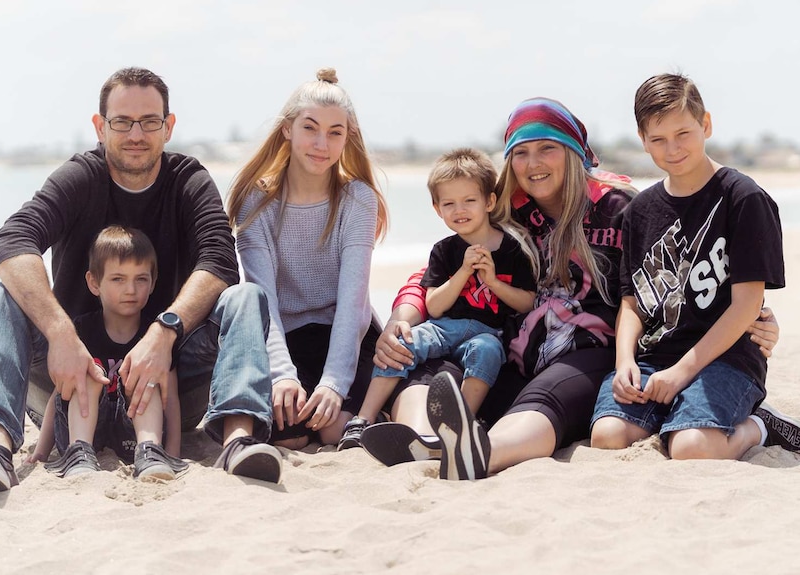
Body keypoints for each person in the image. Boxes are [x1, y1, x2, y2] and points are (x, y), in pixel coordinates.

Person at [361, 97, 784, 480]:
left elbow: (671, 275)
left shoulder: (619, 207)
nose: (534, 162)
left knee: (548, 396)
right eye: (521, 152)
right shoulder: (507, 212)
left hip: (592, 347)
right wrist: (402, 318)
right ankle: (417, 440)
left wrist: (756, 315)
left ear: (572, 152)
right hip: (518, 342)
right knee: (434, 367)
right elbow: (438, 267)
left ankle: (480, 454)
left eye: (547, 148)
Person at [0, 67, 281, 503]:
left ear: (168, 127)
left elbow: (221, 261)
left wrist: (165, 331)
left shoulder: (188, 181)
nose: (136, 133)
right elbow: (13, 240)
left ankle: (238, 440)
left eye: (149, 121)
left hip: (166, 388)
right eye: (122, 121)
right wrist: (60, 332)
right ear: (100, 126)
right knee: (3, 295)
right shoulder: (80, 178)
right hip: (72, 383)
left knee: (246, 298)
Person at [589, 73, 800, 457]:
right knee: (607, 436)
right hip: (656, 357)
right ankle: (671, 411)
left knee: (691, 448)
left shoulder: (744, 199)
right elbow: (632, 303)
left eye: (683, 133)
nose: (672, 149)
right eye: (658, 139)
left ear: (706, 124)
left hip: (727, 358)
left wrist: (683, 373)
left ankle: (759, 426)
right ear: (643, 140)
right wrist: (624, 362)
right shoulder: (638, 212)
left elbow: (747, 305)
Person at [226, 68, 388, 450]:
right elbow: (263, 300)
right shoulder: (257, 203)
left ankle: (376, 413)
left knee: (334, 429)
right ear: (288, 129)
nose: (322, 143)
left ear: (348, 138)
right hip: (287, 338)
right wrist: (282, 376)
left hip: (347, 336)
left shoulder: (358, 200)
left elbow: (353, 302)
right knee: (292, 438)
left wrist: (333, 383)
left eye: (335, 132)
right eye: (310, 128)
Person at [338, 148, 538, 451]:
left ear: (490, 201)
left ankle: (462, 423)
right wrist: (463, 272)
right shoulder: (444, 250)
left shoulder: (512, 249)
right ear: (437, 209)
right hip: (446, 326)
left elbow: (527, 303)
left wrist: (493, 281)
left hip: (488, 332)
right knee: (403, 344)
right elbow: (434, 306)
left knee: (487, 351)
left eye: (469, 200)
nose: (460, 210)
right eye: (449, 204)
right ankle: (363, 419)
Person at [32, 226, 186, 480]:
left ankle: (152, 452)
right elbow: (57, 394)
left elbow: (171, 398)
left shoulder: (155, 337)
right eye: (118, 279)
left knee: (145, 378)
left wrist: (173, 452)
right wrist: (41, 449)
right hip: (82, 429)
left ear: (153, 282)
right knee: (88, 373)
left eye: (141, 279)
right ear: (94, 283)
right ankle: (79, 454)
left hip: (133, 434)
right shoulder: (80, 330)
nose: (131, 290)